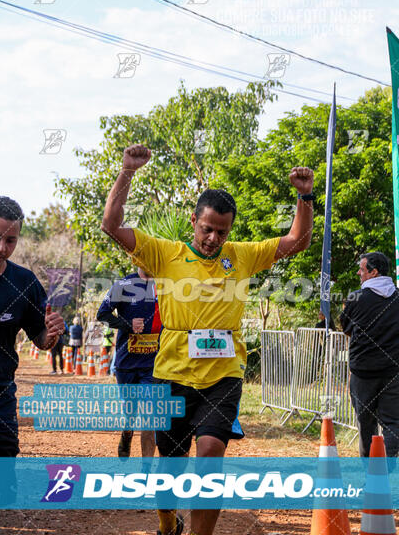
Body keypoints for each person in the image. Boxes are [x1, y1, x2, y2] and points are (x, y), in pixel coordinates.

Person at [100, 144, 314, 535]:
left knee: (211, 457)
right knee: (172, 465)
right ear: (194, 221)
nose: (214, 238)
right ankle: (167, 520)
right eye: (207, 228)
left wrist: (304, 197)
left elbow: (297, 241)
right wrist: (127, 171)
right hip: (172, 373)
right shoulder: (165, 254)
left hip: (223, 374)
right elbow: (111, 226)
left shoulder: (243, 255)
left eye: (222, 231)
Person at [0, 196, 64, 457]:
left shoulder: (24, 282)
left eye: (10, 240)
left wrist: (52, 331)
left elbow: (41, 339)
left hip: (1, 393)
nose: (2, 247)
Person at [340, 252, 399, 459]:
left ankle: (370, 470)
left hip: (363, 372)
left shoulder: (356, 297)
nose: (359, 272)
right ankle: (386, 468)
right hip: (393, 372)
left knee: (366, 423)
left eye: (362, 269)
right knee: (393, 423)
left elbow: (345, 327)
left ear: (374, 272)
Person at [97, 267, 159, 458]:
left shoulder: (167, 285)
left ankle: (146, 469)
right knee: (130, 413)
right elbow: (102, 314)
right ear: (136, 258)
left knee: (151, 417)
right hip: (126, 362)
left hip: (154, 363)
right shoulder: (123, 285)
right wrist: (127, 325)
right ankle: (127, 431)